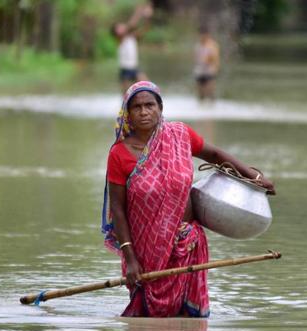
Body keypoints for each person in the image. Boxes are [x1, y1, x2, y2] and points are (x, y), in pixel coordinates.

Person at [102, 81, 275, 317]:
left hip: (188, 244)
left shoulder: (179, 136)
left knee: (188, 324)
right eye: (137, 107)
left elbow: (214, 155)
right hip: (145, 252)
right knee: (147, 316)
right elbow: (118, 210)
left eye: (150, 105)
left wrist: (253, 176)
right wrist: (130, 258)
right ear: (128, 114)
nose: (144, 112)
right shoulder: (119, 154)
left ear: (160, 108)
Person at [111, 3, 153, 93]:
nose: (122, 27)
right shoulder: (119, 39)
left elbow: (145, 29)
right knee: (126, 96)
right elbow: (131, 25)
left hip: (134, 68)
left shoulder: (131, 37)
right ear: (115, 33)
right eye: (119, 28)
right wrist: (139, 12)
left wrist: (147, 18)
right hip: (125, 70)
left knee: (148, 88)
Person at [194, 26, 220, 102]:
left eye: (203, 35)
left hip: (209, 70)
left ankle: (212, 106)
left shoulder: (212, 45)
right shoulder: (198, 45)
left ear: (207, 35)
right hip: (200, 70)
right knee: (200, 92)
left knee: (210, 91)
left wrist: (215, 68)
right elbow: (196, 57)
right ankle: (201, 107)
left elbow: (215, 58)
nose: (202, 37)